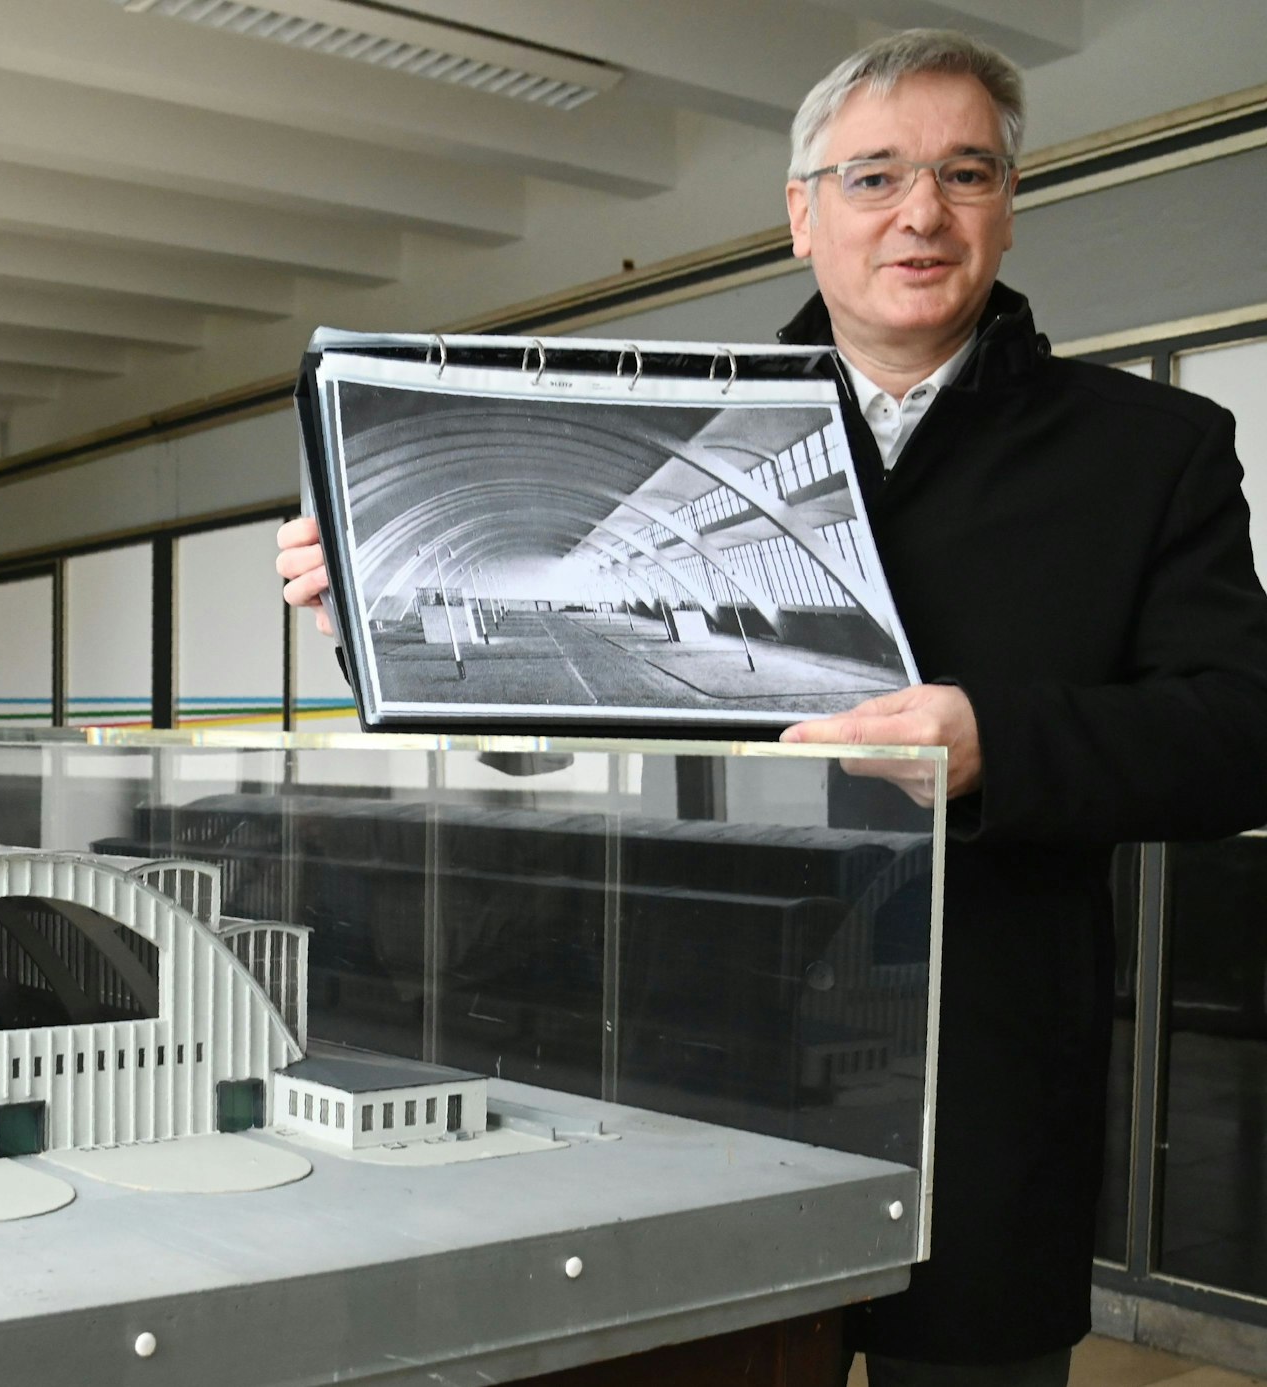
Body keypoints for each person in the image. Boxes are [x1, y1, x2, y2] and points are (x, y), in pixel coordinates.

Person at [277, 29, 1267, 1387]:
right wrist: (376, 626)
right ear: (801, 215)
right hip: (693, 1054)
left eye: (963, 172)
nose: (920, 212)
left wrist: (1000, 745)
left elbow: (1237, 735)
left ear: (1008, 204)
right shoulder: (671, 436)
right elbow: (545, 730)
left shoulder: (1147, 451)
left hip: (977, 1074)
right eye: (873, 177)